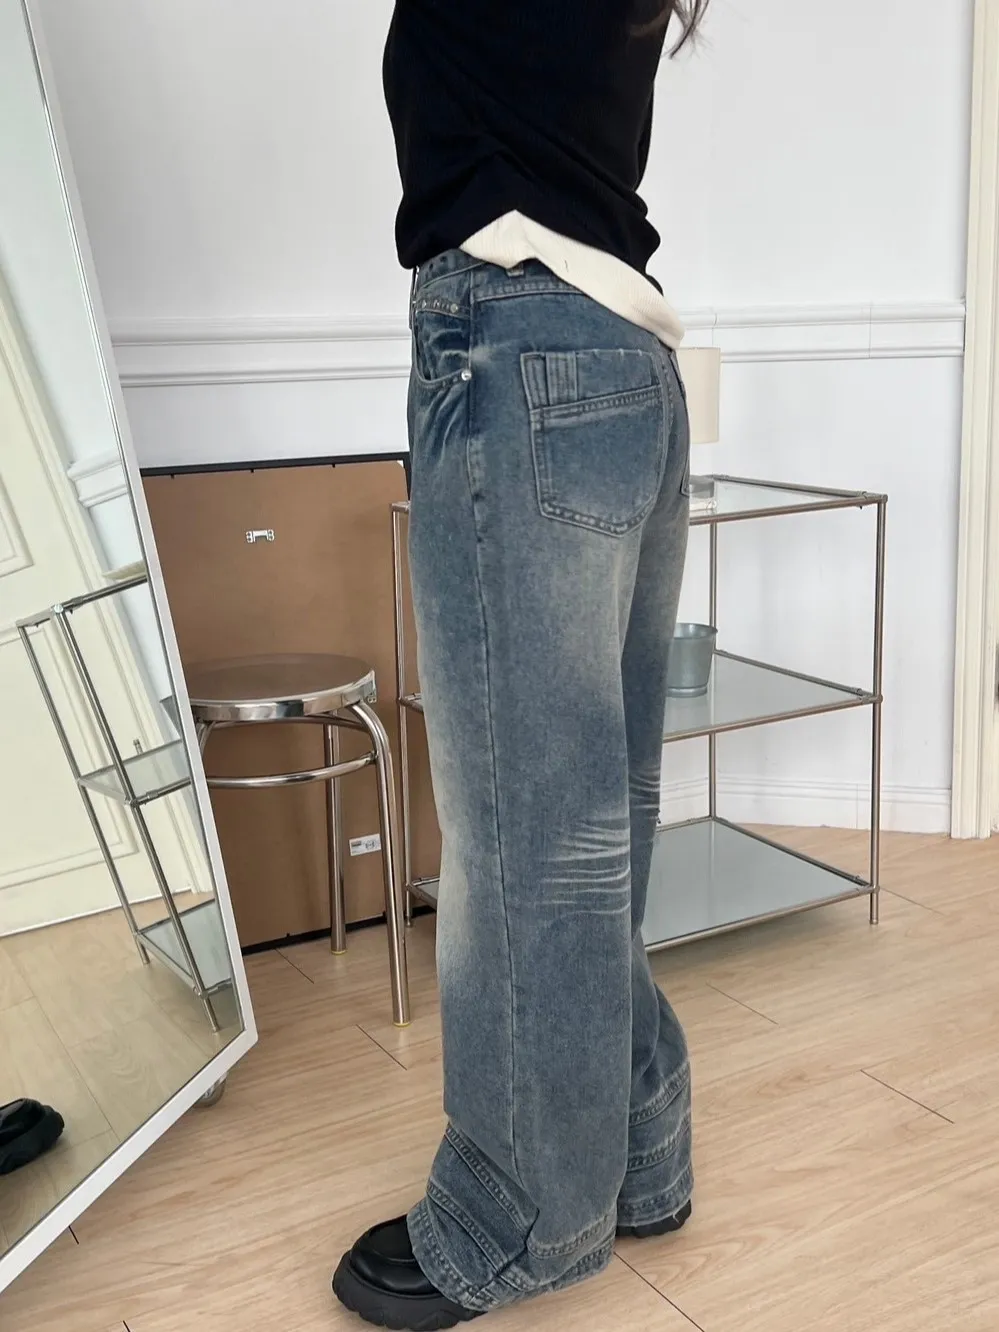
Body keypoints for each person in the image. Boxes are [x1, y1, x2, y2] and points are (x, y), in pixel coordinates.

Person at [333, 2, 708, 1325]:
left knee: (527, 833)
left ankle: (522, 1217)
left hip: (516, 343)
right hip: (627, 362)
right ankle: (640, 1151)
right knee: (592, 818)